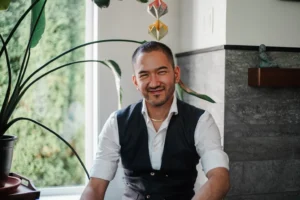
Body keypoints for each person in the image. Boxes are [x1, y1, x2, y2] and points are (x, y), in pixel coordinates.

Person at [80, 41, 230, 200]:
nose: (154, 82)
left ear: (176, 74)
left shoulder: (201, 121)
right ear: (136, 81)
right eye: (144, 75)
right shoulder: (117, 122)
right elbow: (95, 186)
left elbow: (220, 179)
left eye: (161, 72)